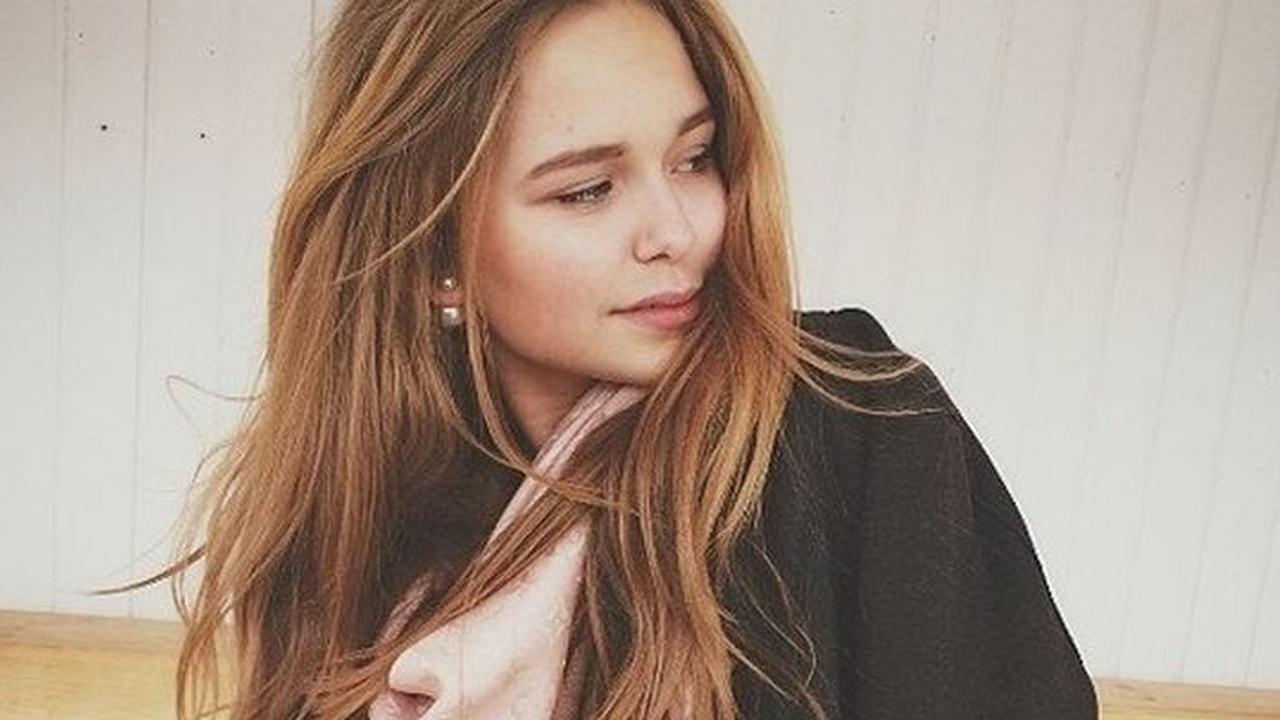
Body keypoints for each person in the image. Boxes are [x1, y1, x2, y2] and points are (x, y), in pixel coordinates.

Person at [107, 0, 1098, 718]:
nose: (678, 230)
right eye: (587, 190)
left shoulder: (850, 417)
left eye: (694, 158)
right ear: (432, 258)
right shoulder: (367, 531)